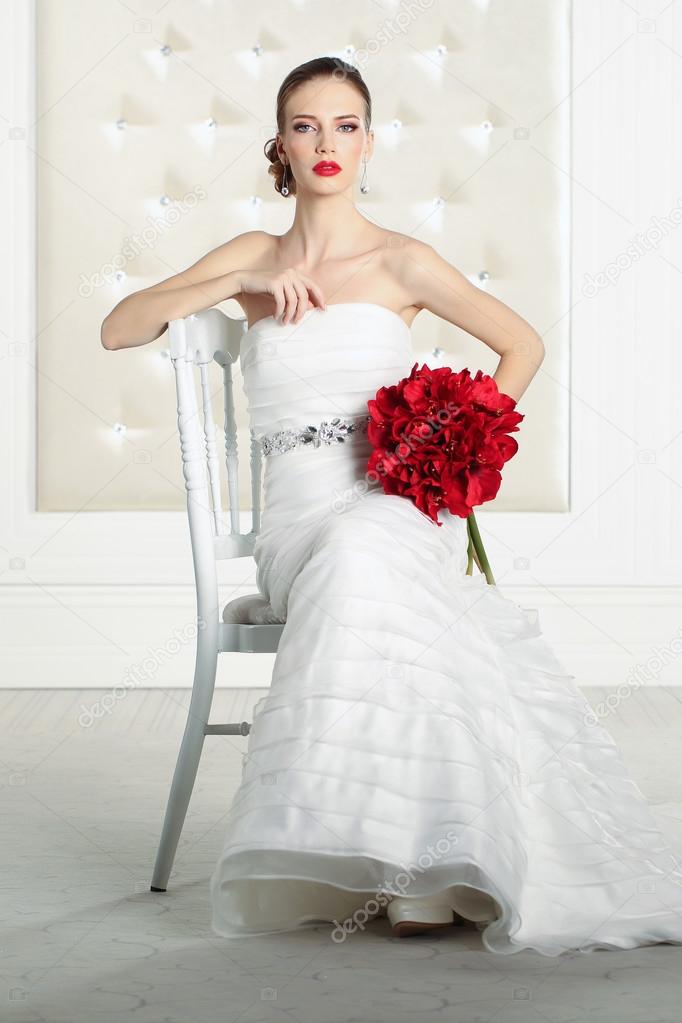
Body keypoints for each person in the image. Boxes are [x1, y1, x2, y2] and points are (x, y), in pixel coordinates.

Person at [102, 56, 682, 957]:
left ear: (368, 142)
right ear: (280, 146)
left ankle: (422, 870)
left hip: (395, 509)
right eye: (304, 125)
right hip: (300, 528)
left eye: (344, 125)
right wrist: (227, 288)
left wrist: (457, 436)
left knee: (378, 548)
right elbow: (121, 327)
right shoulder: (251, 257)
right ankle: (412, 872)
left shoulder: (404, 259)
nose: (325, 143)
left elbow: (520, 345)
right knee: (358, 559)